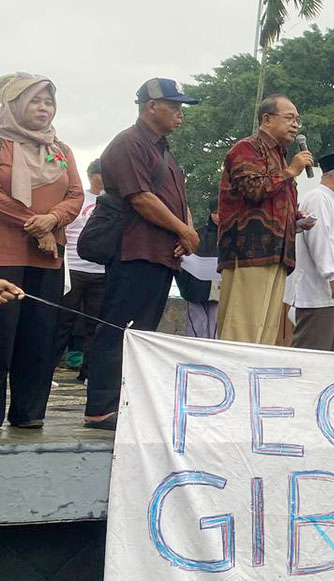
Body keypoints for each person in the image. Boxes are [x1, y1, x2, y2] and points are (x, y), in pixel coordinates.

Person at [85, 78, 198, 430]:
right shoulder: (129, 143)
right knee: (117, 328)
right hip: (134, 250)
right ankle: (101, 408)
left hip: (161, 253)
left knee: (143, 333)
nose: (180, 114)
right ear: (152, 106)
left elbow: (178, 197)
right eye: (174, 107)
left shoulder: (164, 150)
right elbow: (141, 198)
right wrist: (182, 230)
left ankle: (127, 403)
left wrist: (186, 233)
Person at [0, 73, 83, 428]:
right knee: (2, 337)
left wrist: (51, 220)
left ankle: (29, 414)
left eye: (49, 102)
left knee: (39, 338)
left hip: (48, 258)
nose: (44, 108)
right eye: (35, 100)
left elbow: (75, 195)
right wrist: (35, 224)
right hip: (5, 255)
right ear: (15, 104)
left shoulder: (60, 150)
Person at [216, 94, 314, 345]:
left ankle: (251, 381)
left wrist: (296, 218)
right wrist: (291, 171)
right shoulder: (246, 148)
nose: (295, 125)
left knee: (265, 335)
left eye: (297, 120)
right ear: (266, 119)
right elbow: (254, 190)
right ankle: (233, 379)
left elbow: (272, 200)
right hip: (248, 252)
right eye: (289, 117)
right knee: (243, 331)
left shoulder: (280, 157)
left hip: (276, 253)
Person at [291, 153, 334, 351]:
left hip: (333, 294)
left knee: (326, 352)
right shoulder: (317, 198)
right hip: (321, 292)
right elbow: (318, 240)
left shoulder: (332, 202)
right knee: (312, 350)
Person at [55, 158, 105, 378]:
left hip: (101, 271)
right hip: (73, 267)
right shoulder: (78, 199)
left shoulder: (113, 201)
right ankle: (47, 370)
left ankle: (89, 373)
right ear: (94, 176)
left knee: (96, 326)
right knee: (62, 322)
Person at [175, 197, 221, 339]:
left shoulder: (229, 237)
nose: (217, 217)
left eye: (220, 212)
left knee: (216, 327)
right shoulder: (198, 235)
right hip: (196, 289)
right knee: (196, 327)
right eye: (214, 212)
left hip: (218, 290)